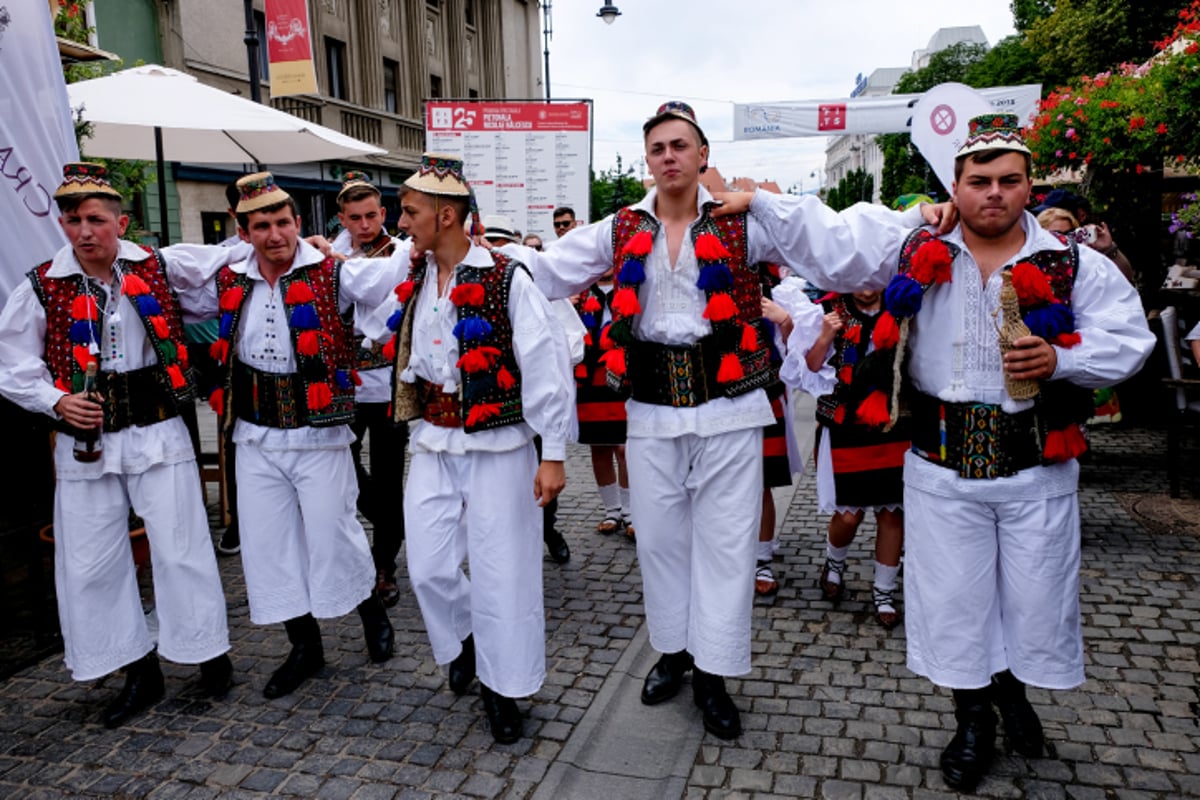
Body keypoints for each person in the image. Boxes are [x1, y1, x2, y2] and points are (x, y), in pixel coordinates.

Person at [501, 102, 935, 739]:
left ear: (702, 156)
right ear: (647, 162)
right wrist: (479, 254)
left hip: (729, 409)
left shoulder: (741, 223)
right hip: (650, 411)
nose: (669, 156)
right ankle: (674, 650)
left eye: (681, 145)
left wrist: (914, 217)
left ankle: (714, 673)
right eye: (658, 148)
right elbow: (544, 269)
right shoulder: (620, 229)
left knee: (728, 545)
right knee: (660, 542)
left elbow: (832, 242)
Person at [754, 115, 1152, 790]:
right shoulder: (914, 249)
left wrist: (1062, 356)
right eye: (978, 181)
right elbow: (834, 242)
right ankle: (973, 721)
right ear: (956, 186)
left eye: (1008, 181)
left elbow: (1131, 338)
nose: (992, 194)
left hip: (1035, 465)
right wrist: (760, 202)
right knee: (955, 600)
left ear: (1029, 185)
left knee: (1032, 599)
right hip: (940, 464)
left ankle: (1013, 690)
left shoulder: (1070, 263)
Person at [0, 163, 236, 727]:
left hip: (158, 430)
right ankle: (136, 669)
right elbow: (12, 365)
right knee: (91, 561)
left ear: (121, 222)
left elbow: (234, 257)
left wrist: (310, 242)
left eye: (96, 219)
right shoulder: (40, 286)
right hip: (87, 443)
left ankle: (208, 652)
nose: (84, 231)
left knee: (180, 547)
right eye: (73, 220)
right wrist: (55, 401)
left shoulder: (159, 266)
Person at [186, 172, 399, 699]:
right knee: (269, 545)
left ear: (299, 224)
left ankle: (370, 610)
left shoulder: (333, 273)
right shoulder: (230, 278)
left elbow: (386, 284)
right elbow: (172, 277)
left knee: (334, 532)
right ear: (244, 230)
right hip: (256, 435)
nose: (275, 234)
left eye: (283, 222)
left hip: (319, 431)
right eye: (262, 225)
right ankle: (304, 644)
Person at [385, 154, 573, 743]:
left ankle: (503, 686)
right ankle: (468, 639)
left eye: (410, 211)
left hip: (497, 445)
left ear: (446, 215)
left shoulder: (505, 276)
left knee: (504, 572)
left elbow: (547, 367)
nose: (401, 220)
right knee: (429, 566)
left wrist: (554, 455)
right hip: (434, 441)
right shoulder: (417, 276)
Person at [775, 286, 908, 627]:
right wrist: (824, 336)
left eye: (872, 278)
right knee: (848, 515)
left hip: (892, 423)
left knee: (892, 512)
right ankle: (834, 562)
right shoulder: (826, 310)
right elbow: (809, 368)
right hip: (844, 422)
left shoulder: (902, 305)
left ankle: (883, 591)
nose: (865, 287)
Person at [332, 171, 409, 607]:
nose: (364, 224)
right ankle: (383, 518)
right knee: (341, 464)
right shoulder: (325, 255)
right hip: (344, 386)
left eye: (371, 215)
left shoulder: (400, 254)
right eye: (354, 217)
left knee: (388, 474)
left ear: (384, 214)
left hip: (386, 383)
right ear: (342, 218)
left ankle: (384, 565)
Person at [482, 213, 576, 565]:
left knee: (542, 470)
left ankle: (548, 530)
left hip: (533, 404)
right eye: (492, 245)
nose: (498, 254)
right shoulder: (477, 284)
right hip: (495, 408)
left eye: (504, 246)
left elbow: (571, 341)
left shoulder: (533, 285)